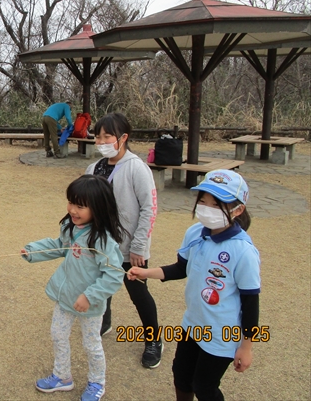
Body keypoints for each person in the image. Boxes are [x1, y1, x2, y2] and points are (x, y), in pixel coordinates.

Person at [128, 170, 259, 401]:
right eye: (203, 201)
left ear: (238, 210)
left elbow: (250, 302)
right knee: (181, 376)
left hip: (222, 334)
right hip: (193, 325)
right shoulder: (195, 233)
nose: (206, 208)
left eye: (216, 205)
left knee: (204, 387)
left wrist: (246, 346)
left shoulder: (243, 251)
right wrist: (145, 272)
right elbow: (181, 268)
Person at [21, 175, 127, 401]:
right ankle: (62, 376)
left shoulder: (102, 240)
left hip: (89, 304)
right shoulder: (71, 227)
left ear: (98, 207)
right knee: (58, 335)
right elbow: (60, 246)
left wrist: (89, 296)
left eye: (80, 206)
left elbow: (115, 275)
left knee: (91, 345)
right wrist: (33, 251)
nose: (73, 210)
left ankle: (97, 382)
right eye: (71, 202)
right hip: (65, 297)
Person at [84, 113, 162, 368]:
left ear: (123, 138)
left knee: (138, 293)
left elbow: (149, 208)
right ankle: (104, 321)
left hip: (130, 248)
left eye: (107, 136)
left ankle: (153, 339)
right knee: (101, 284)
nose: (102, 141)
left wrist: (139, 246)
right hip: (100, 244)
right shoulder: (94, 168)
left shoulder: (136, 167)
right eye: (98, 136)